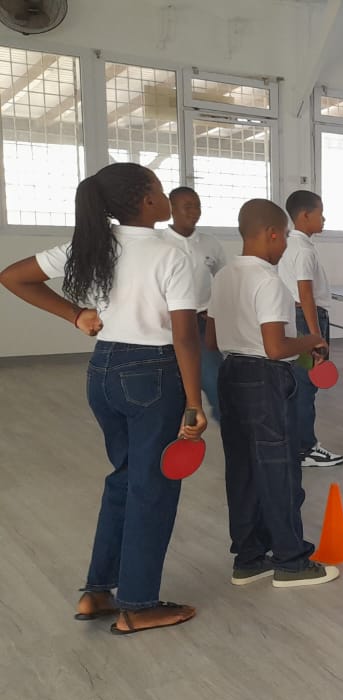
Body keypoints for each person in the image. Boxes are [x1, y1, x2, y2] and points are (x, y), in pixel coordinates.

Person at [0, 162, 206, 635]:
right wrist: (194, 403)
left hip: (103, 371)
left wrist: (76, 315)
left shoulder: (91, 245)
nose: (166, 198)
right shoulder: (171, 254)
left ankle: (98, 591)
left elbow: (12, 276)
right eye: (160, 190)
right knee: (152, 488)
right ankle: (138, 605)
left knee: (125, 478)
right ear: (148, 201)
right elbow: (185, 337)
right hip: (153, 374)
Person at [205, 199, 338, 587]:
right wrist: (311, 339)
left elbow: (210, 340)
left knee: (242, 471)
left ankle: (249, 558)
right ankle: (291, 560)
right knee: (279, 471)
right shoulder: (269, 281)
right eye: (284, 239)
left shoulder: (222, 277)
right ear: (272, 234)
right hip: (264, 380)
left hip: (230, 374)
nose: (285, 247)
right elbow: (276, 348)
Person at [278, 190, 343, 468]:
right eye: (320, 213)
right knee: (306, 385)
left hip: (291, 318)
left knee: (295, 385)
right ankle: (305, 448)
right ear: (305, 216)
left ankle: (292, 443)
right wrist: (316, 337)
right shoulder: (304, 250)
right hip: (306, 321)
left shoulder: (286, 245)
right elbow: (305, 294)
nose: (324, 218)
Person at [162, 187, 228, 422]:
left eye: (197, 205)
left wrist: (217, 312)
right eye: (187, 206)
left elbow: (224, 280)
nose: (194, 211)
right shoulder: (159, 242)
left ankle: (229, 427)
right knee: (171, 387)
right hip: (166, 325)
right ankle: (180, 433)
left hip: (200, 324)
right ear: (171, 208)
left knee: (216, 381)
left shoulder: (209, 243)